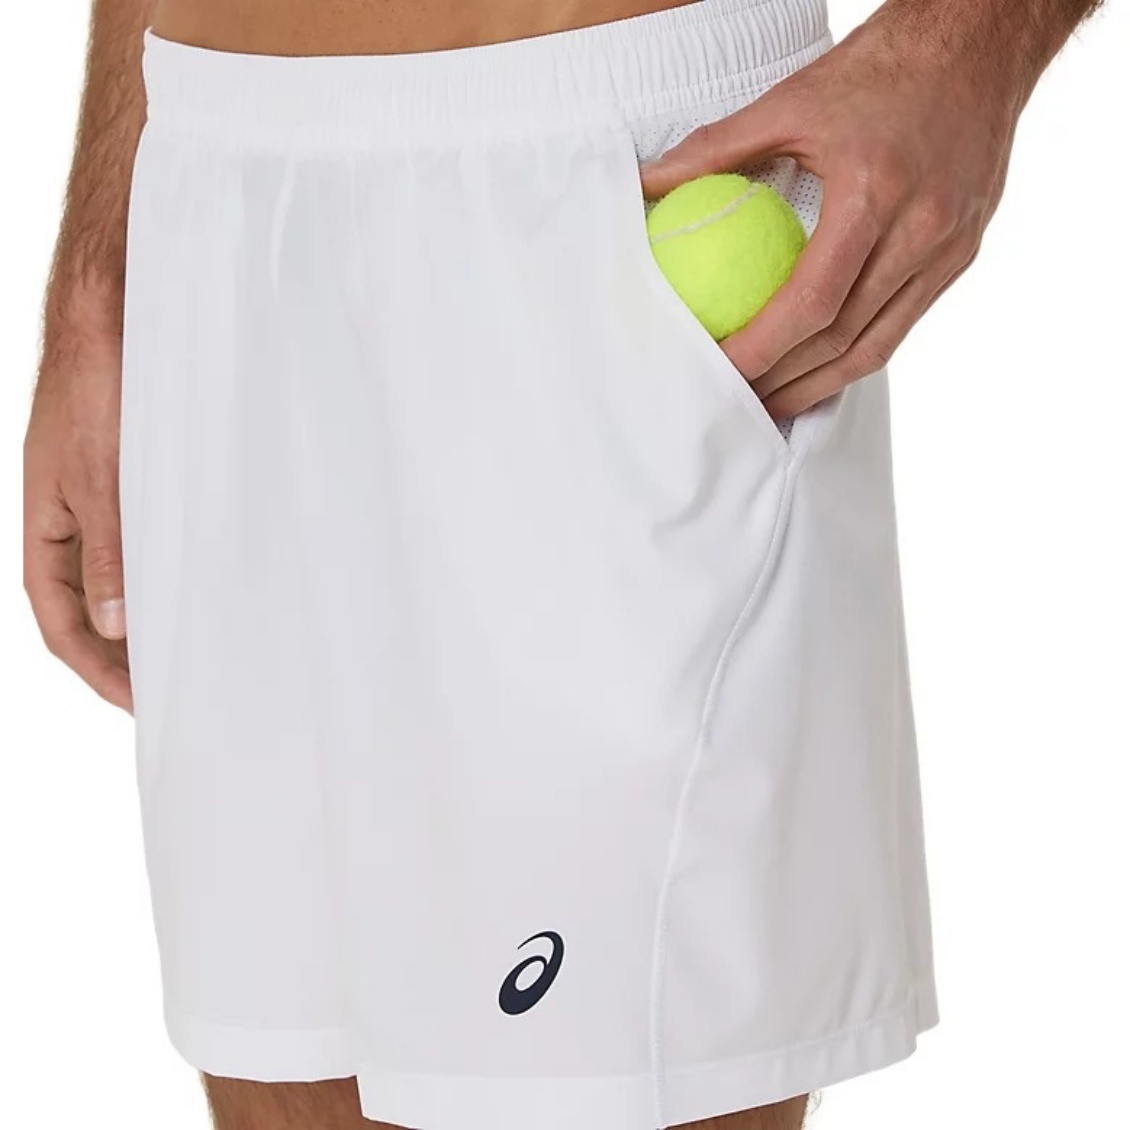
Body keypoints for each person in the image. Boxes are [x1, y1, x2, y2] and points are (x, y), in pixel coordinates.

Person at [21, 0, 1101, 1128]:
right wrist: (98, 280)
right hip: (218, 191)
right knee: (283, 1078)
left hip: (623, 176)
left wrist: (960, 49)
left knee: (609, 1084)